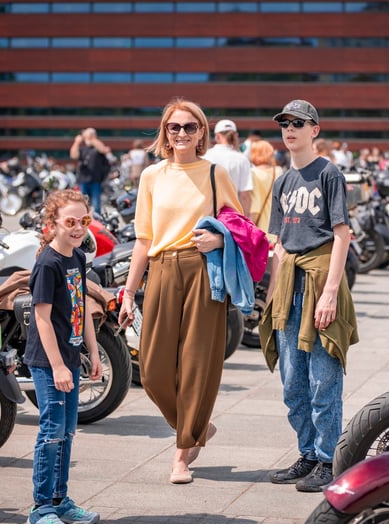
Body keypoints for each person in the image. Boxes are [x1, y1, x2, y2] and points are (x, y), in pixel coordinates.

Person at [117, 99, 242, 485]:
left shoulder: (215, 172)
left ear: (202, 132)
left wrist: (218, 241)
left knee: (196, 365)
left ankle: (182, 454)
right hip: (161, 270)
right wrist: (128, 292)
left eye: (190, 127)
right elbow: (143, 239)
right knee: (152, 370)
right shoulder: (152, 176)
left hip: (204, 270)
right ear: (165, 132)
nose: (182, 133)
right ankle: (197, 427)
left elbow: (240, 227)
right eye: (175, 127)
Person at [260, 99, 358, 493]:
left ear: (314, 130)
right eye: (285, 123)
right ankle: (307, 453)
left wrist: (330, 292)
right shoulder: (282, 182)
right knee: (293, 384)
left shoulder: (328, 173)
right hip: (290, 288)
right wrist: (273, 293)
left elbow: (342, 235)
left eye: (298, 123)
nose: (290, 129)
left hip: (320, 283)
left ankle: (328, 458)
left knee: (323, 381)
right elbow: (278, 242)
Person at [23, 189, 102, 524]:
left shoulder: (78, 258)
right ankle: (40, 509)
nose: (78, 228)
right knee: (51, 431)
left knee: (67, 432)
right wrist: (56, 366)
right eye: (70, 221)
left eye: (83, 220)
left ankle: (60, 500)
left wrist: (93, 353)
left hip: (69, 359)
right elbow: (41, 319)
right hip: (48, 361)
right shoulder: (48, 264)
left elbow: (82, 308)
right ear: (52, 224)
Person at [203, 119, 253, 214]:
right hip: (232, 214)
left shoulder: (206, 156)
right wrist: (245, 217)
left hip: (208, 212)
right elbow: (245, 196)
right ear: (236, 136)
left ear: (217, 136)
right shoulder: (242, 159)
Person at [70, 128, 111, 214]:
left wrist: (91, 137)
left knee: (96, 205)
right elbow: (73, 155)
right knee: (83, 203)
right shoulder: (82, 149)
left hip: (95, 180)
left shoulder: (97, 148)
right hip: (83, 180)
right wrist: (77, 142)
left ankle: (97, 220)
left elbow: (102, 149)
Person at [248, 139, 282, 235]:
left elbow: (255, 205)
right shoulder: (278, 171)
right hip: (277, 228)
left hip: (259, 230)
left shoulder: (252, 173)